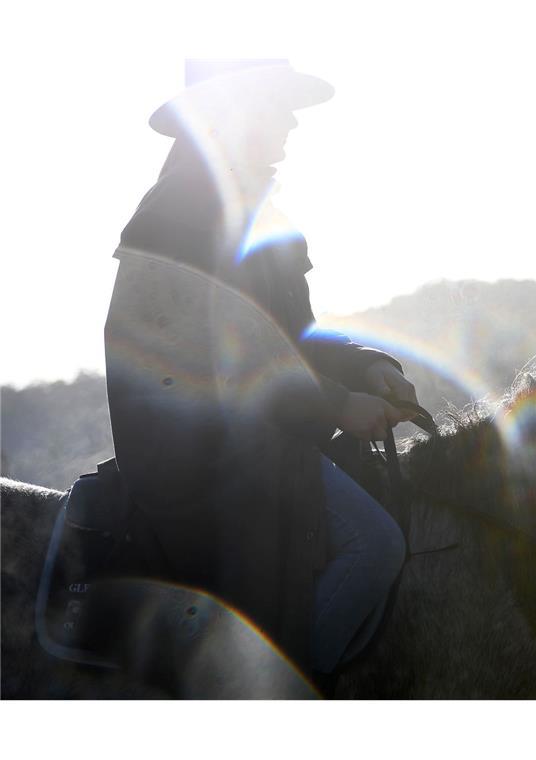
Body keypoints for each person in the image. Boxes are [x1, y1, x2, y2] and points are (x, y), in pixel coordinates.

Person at [104, 60, 414, 684]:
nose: (292, 123)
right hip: (204, 460)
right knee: (374, 545)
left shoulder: (259, 210)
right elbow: (223, 351)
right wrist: (335, 405)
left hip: (260, 441)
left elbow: (289, 337)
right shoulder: (183, 208)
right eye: (278, 106)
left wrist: (364, 366)